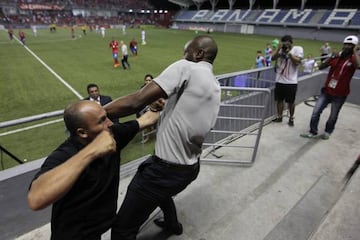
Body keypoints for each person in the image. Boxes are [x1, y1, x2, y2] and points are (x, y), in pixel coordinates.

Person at [105, 35, 220, 239]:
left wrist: (97, 113)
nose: (182, 56)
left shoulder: (187, 67)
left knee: (122, 228)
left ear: (198, 53)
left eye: (186, 52)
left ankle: (169, 224)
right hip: (190, 167)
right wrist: (167, 106)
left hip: (164, 170)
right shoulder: (214, 83)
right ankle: (172, 225)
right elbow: (191, 115)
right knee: (162, 193)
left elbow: (136, 101)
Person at [27, 100, 160, 240]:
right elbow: (35, 199)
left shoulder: (112, 134)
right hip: (73, 235)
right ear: (82, 132)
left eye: (107, 116)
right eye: (101, 121)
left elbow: (146, 120)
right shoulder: (64, 155)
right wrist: (92, 151)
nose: (110, 123)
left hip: (98, 227)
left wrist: (156, 107)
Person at [300, 35, 360, 140]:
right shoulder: (336, 57)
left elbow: (358, 65)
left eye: (350, 45)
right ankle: (313, 131)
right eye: (345, 44)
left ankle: (328, 131)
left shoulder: (353, 59)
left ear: (355, 47)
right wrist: (331, 57)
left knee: (333, 115)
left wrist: (355, 52)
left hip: (340, 94)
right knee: (316, 112)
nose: (346, 47)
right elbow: (321, 67)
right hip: (327, 91)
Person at [271, 35, 303, 126]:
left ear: (291, 42)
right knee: (279, 100)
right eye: (284, 42)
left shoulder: (297, 49)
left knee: (291, 102)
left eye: (287, 42)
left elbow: (298, 61)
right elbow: (273, 58)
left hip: (291, 82)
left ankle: (291, 118)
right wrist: (278, 50)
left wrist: (289, 53)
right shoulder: (281, 49)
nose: (285, 44)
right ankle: (279, 116)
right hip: (280, 80)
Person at [136, 74, 156, 143]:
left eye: (149, 80)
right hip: (145, 107)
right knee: (142, 114)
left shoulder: (155, 88)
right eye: (146, 80)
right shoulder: (142, 89)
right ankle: (149, 129)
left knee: (148, 116)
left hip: (153, 107)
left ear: (152, 80)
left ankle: (148, 136)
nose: (148, 82)